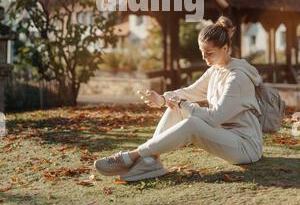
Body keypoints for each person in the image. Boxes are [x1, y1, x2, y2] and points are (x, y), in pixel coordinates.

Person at [94, 16, 263, 182]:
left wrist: (182, 103)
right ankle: (150, 161)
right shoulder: (216, 70)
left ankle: (134, 155)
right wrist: (162, 99)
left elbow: (215, 117)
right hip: (225, 135)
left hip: (245, 146)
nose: (204, 58)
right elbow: (189, 92)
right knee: (176, 109)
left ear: (225, 48)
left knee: (191, 123)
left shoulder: (237, 77)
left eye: (209, 53)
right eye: (202, 52)